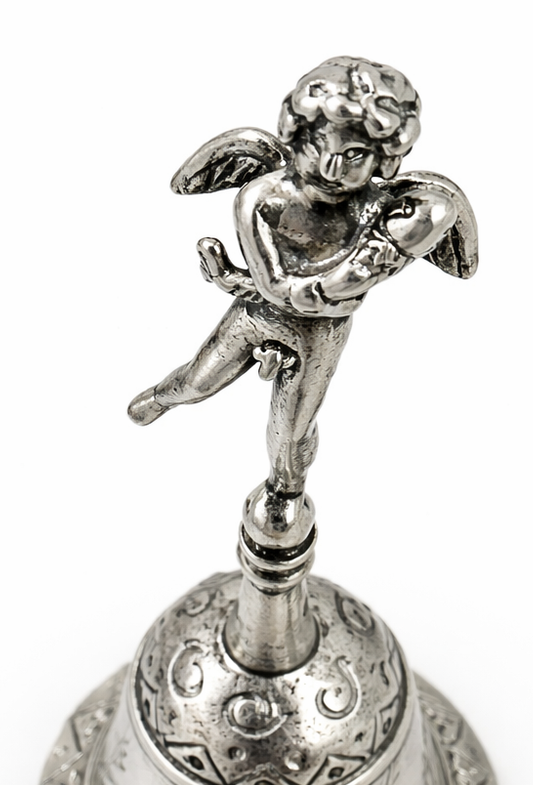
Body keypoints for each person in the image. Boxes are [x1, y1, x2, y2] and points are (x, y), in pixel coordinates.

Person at [128, 57, 460, 498]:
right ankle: (164, 397)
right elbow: (277, 287)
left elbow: (437, 212)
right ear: (296, 134)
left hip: (319, 336)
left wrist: (381, 255)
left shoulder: (384, 211)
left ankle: (286, 491)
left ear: (384, 158)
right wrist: (340, 283)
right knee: (197, 382)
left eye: (354, 155)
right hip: (256, 315)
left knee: (292, 429)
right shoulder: (262, 197)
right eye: (317, 145)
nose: (331, 168)